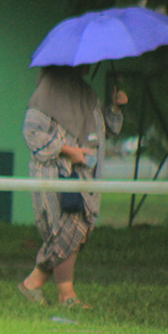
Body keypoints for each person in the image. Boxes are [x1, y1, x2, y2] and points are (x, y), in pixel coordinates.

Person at [18, 65, 126, 307]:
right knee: (67, 229)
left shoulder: (86, 93)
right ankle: (36, 283)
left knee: (76, 232)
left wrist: (116, 107)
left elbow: (102, 130)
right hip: (57, 173)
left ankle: (64, 293)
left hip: (85, 176)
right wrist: (68, 151)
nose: (89, 63)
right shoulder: (47, 93)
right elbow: (31, 132)